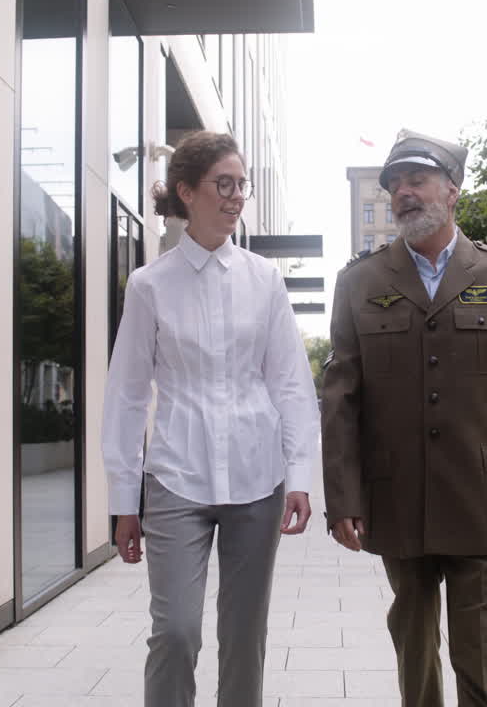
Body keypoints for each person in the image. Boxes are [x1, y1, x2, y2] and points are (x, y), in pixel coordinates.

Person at [321, 128, 487, 706]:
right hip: (398, 500)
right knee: (415, 651)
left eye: (416, 180)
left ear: (452, 190)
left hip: (481, 501)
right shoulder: (360, 282)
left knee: (482, 654)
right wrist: (343, 498)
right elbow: (341, 399)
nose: (402, 192)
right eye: (394, 184)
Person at [101, 131, 319, 707]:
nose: (236, 197)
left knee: (245, 638)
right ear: (187, 191)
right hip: (175, 478)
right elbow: (125, 394)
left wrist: (299, 474)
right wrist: (124, 499)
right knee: (175, 633)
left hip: (257, 479)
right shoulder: (149, 286)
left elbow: (291, 383)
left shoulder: (264, 280)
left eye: (241, 186)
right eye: (224, 184)